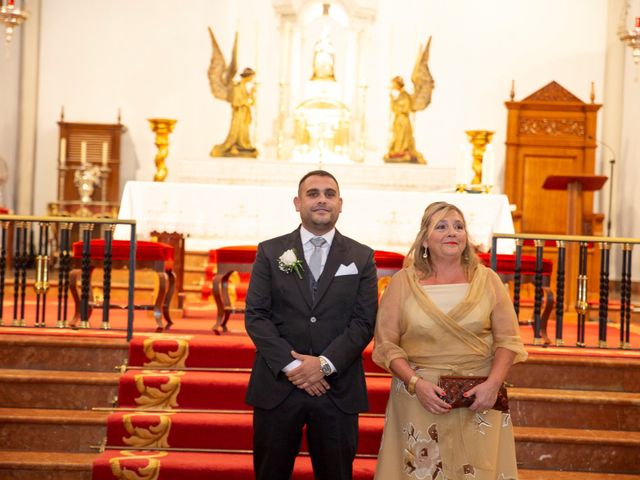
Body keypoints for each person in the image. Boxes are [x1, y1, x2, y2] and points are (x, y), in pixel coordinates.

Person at [372, 201, 527, 479]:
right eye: (441, 227)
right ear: (425, 240)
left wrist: (493, 385)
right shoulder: (403, 283)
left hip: (479, 397)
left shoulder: (488, 280)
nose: (452, 233)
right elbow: (386, 346)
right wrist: (415, 383)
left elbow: (508, 340)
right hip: (420, 397)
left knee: (480, 469)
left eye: (458, 226)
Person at [245, 170, 378, 480]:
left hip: (337, 388)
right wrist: (294, 368)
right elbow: (256, 316)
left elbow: (364, 322)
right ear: (297, 202)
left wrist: (325, 365)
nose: (322, 200)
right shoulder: (270, 251)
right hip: (278, 385)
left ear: (340, 203)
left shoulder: (361, 256)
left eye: (329, 194)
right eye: (313, 193)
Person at [211, 67, 258, 158]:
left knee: (244, 132)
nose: (252, 79)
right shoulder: (237, 87)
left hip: (244, 113)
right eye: (251, 77)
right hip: (238, 114)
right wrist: (246, 101)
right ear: (247, 77)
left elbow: (251, 103)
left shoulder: (245, 87)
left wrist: (252, 94)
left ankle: (244, 145)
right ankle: (236, 146)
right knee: (237, 132)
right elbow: (237, 102)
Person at [384, 76, 425, 164]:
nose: (392, 86)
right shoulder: (400, 96)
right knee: (397, 138)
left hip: (403, 121)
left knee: (402, 139)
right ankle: (398, 152)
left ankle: (402, 152)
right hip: (398, 120)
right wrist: (392, 100)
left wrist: (395, 104)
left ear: (398, 85)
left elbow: (406, 108)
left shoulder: (405, 96)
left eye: (394, 84)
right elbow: (394, 108)